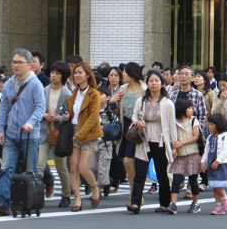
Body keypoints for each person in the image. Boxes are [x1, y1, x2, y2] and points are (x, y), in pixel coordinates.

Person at [0, 49, 46, 216]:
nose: (16, 65)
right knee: (7, 168)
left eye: (20, 62)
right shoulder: (9, 84)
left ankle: (29, 202)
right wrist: (0, 130)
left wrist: (31, 122)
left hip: (30, 135)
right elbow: (3, 107)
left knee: (29, 171)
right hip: (11, 134)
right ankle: (3, 202)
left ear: (29, 64)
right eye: (14, 62)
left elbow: (40, 107)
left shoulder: (35, 84)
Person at [128, 69, 177, 215]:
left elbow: (172, 124)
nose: (153, 83)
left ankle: (164, 203)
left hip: (161, 141)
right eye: (151, 81)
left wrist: (174, 144)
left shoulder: (167, 103)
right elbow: (134, 116)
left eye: (156, 81)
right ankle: (135, 203)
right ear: (147, 84)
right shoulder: (141, 101)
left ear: (162, 84)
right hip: (144, 140)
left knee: (162, 173)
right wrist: (137, 123)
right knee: (140, 173)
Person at [65, 63, 102, 211]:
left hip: (89, 133)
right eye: (75, 73)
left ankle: (94, 188)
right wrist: (68, 116)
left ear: (88, 75)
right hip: (74, 131)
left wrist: (80, 134)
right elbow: (74, 114)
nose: (77, 76)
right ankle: (77, 200)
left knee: (83, 168)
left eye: (80, 73)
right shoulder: (74, 93)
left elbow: (93, 117)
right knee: (73, 167)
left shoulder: (94, 93)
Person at [110, 62, 147, 209]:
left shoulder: (143, 89)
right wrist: (112, 103)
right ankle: (135, 193)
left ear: (132, 73)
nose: (122, 75)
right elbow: (116, 110)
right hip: (126, 127)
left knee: (129, 160)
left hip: (138, 128)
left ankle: (135, 194)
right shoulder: (123, 89)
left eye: (125, 72)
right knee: (127, 161)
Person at [39, 61, 72, 207]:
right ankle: (37, 195)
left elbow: (69, 115)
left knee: (61, 167)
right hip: (43, 132)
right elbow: (37, 109)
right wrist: (45, 115)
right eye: (52, 72)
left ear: (63, 76)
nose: (53, 75)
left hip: (58, 134)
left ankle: (66, 194)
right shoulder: (44, 90)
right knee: (39, 165)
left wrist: (57, 117)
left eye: (57, 73)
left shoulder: (67, 93)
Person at [169, 98, 202, 214]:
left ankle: (195, 203)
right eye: (189, 108)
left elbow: (196, 136)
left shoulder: (193, 121)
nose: (192, 110)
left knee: (193, 180)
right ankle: (173, 204)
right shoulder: (173, 122)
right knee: (176, 179)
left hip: (192, 153)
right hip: (180, 155)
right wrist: (173, 148)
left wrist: (181, 143)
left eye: (192, 108)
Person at [201, 113, 227, 215]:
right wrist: (203, 161)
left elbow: (226, 150)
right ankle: (218, 206)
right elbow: (206, 150)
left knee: (219, 185)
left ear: (218, 125)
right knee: (214, 185)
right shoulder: (210, 137)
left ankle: (225, 199)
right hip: (212, 164)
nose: (209, 126)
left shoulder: (225, 136)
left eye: (212, 124)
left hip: (222, 164)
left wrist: (218, 161)